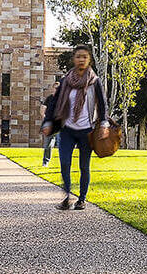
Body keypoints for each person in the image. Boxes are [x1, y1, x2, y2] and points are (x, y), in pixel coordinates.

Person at [42, 45, 108, 210]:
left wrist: (104, 124)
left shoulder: (95, 82)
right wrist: (48, 122)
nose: (81, 60)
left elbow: (102, 105)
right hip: (67, 128)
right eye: (78, 56)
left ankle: (82, 199)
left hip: (87, 130)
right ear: (74, 59)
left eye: (84, 57)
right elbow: (54, 103)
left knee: (84, 166)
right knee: (64, 163)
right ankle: (66, 197)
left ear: (89, 60)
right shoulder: (65, 81)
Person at [40, 75, 62, 165]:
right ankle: (45, 162)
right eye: (55, 89)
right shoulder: (49, 98)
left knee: (62, 144)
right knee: (48, 144)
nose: (56, 90)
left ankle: (63, 163)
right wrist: (44, 117)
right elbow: (43, 108)